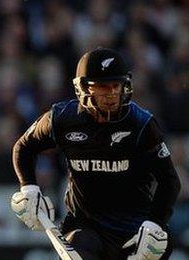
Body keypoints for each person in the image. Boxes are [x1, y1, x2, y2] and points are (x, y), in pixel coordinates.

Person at [10, 48, 181, 259]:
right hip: (85, 227)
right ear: (83, 88)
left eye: (115, 86)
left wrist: (155, 223)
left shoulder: (142, 124)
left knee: (162, 245)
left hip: (134, 230)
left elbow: (169, 181)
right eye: (102, 87)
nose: (111, 95)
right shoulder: (62, 118)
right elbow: (24, 147)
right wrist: (29, 188)